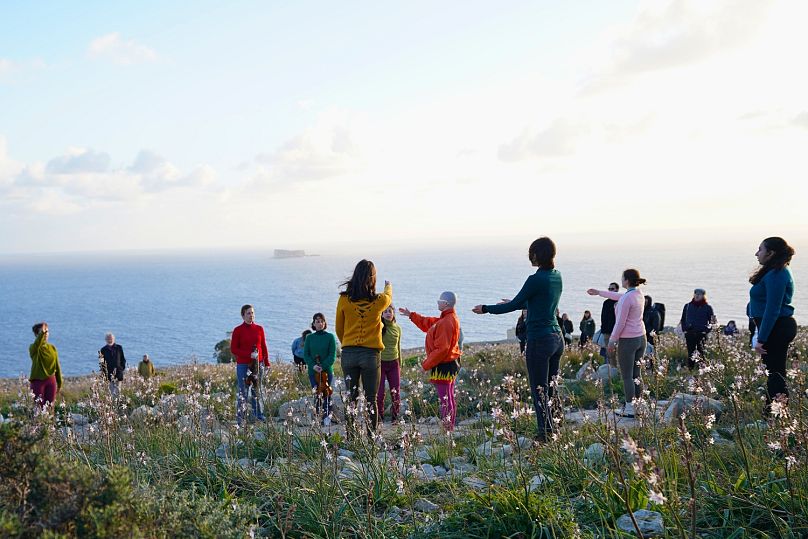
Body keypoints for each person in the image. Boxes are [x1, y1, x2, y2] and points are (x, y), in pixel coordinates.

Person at [473, 237, 563, 442]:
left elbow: (514, 305)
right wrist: (522, 302)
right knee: (552, 386)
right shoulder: (557, 276)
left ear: (537, 255)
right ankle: (557, 425)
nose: (529, 256)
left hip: (540, 339)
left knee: (539, 388)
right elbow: (542, 302)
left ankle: (546, 435)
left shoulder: (535, 279)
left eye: (531, 252)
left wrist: (486, 309)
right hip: (556, 338)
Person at [335, 259, 392, 437]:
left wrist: (348, 343)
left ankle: (351, 436)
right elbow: (388, 296)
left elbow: (339, 328)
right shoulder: (379, 300)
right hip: (370, 355)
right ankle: (371, 436)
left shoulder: (344, 299)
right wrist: (388, 285)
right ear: (372, 278)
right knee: (371, 399)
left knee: (351, 398)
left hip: (349, 354)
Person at [587, 269, 647, 418]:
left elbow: (620, 323)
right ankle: (639, 405)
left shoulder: (627, 298)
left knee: (626, 376)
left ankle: (629, 408)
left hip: (628, 341)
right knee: (636, 374)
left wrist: (612, 341)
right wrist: (599, 292)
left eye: (622, 278)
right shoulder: (638, 294)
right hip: (641, 338)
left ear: (626, 280)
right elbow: (618, 296)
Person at [401, 292, 462, 431]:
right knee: (448, 396)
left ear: (446, 303)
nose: (437, 302)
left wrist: (425, 365)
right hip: (449, 363)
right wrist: (412, 315)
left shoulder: (447, 322)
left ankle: (448, 428)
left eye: (439, 300)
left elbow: (442, 349)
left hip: (444, 365)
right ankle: (449, 426)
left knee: (445, 398)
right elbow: (428, 323)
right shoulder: (445, 319)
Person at [749, 237, 796, 415]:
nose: (756, 253)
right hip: (774, 327)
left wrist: (761, 338)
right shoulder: (773, 272)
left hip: (777, 327)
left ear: (771, 253)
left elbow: (773, 309)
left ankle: (775, 413)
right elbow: (762, 301)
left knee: (775, 372)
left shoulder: (778, 273)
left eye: (760, 249)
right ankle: (774, 411)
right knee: (773, 371)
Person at [230, 304, 270, 424]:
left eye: (252, 313)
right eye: (248, 313)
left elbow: (263, 346)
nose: (251, 315)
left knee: (256, 390)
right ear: (243, 315)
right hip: (243, 365)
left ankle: (259, 415)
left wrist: (266, 362)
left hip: (258, 365)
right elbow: (234, 349)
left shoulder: (259, 329)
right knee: (243, 391)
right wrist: (249, 354)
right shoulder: (238, 330)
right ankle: (240, 419)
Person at [303, 313, 337, 426]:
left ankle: (327, 416)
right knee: (317, 393)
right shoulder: (309, 338)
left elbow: (332, 355)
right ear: (313, 324)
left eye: (322, 321)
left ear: (325, 323)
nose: (320, 323)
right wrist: (313, 366)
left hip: (327, 371)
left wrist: (323, 366)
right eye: (317, 321)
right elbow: (306, 355)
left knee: (327, 392)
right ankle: (318, 415)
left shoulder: (330, 337)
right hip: (313, 371)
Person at [679, 288, 717, 369]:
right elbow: (683, 319)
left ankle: (702, 370)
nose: (697, 295)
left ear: (703, 296)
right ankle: (690, 369)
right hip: (690, 333)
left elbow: (713, 321)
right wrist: (685, 330)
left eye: (699, 294)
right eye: (696, 294)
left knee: (702, 352)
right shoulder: (687, 306)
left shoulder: (708, 307)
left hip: (701, 334)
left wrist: (706, 331)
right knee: (691, 353)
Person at [29, 322, 63, 408]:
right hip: (37, 382)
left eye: (47, 331)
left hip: (51, 381)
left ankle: (50, 422)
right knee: (39, 408)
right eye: (42, 332)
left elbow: (57, 366)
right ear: (37, 335)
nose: (45, 334)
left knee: (50, 407)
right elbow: (37, 344)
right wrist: (42, 334)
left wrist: (59, 382)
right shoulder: (33, 348)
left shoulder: (52, 348)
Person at [377, 305, 402, 423]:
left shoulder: (397, 328)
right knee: (380, 393)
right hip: (380, 363)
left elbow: (399, 347)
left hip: (394, 363)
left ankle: (395, 417)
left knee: (396, 392)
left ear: (393, 313)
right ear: (381, 314)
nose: (388, 313)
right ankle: (379, 417)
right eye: (385, 311)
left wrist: (400, 364)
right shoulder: (379, 327)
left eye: (390, 311)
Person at [100, 333, 126, 398]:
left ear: (114, 339)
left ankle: (118, 405)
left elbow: (123, 359)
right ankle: (113, 406)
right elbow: (101, 363)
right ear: (105, 340)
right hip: (108, 374)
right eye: (108, 339)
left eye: (111, 338)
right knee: (111, 392)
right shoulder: (102, 350)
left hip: (118, 373)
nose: (110, 340)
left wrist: (121, 368)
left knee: (118, 391)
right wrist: (104, 373)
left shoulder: (119, 347)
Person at [598, 282, 620, 361]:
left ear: (617, 290)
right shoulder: (606, 302)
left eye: (612, 289)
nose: (610, 290)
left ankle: (616, 369)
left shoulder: (620, 301)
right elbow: (603, 317)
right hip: (607, 331)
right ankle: (610, 368)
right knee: (609, 352)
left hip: (617, 331)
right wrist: (603, 330)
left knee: (617, 352)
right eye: (609, 289)